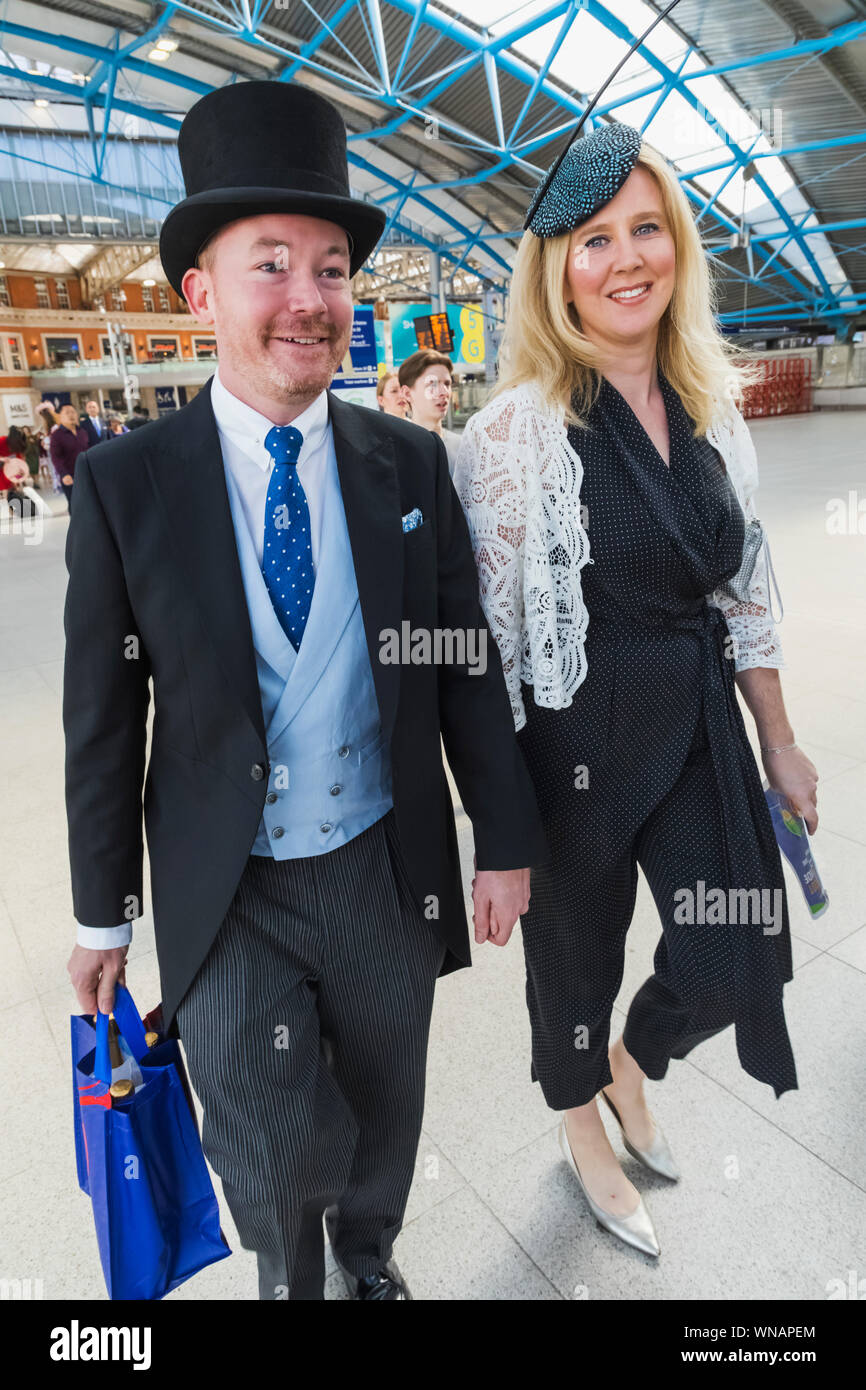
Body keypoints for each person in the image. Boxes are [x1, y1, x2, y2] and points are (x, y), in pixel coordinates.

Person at [64, 80, 547, 1302]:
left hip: (382, 863)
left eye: (330, 268)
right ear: (201, 293)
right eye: (268, 263)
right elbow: (103, 719)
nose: (307, 298)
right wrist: (100, 915)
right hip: (229, 890)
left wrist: (501, 836)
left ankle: (370, 1260)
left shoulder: (408, 463)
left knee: (388, 1105)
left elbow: (461, 666)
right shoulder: (129, 484)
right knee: (264, 1133)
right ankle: (293, 1274)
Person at [454, 123, 818, 1258]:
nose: (624, 260)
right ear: (555, 268)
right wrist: (498, 833)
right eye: (593, 238)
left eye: (645, 230)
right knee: (574, 958)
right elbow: (491, 652)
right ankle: (579, 1113)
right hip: (575, 740)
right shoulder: (515, 431)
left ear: (677, 249)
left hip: (697, 717)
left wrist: (780, 738)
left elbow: (743, 586)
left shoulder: (708, 404)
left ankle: (629, 1056)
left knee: (733, 944)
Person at [398, 349, 462, 477]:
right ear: (407, 393)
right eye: (432, 384)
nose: (444, 392)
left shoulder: (463, 447)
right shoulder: (396, 451)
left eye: (447, 384)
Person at [49, 404, 88, 513]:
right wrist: (64, 474)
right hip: (70, 476)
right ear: (60, 416)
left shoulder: (82, 432)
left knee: (90, 503)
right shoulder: (57, 435)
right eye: (67, 412)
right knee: (75, 505)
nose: (71, 415)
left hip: (86, 474)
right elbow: (56, 457)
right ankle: (78, 529)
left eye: (73, 412)